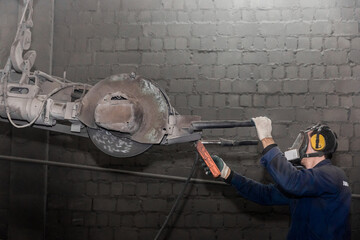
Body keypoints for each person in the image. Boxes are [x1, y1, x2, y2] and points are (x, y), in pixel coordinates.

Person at [206, 116, 351, 240]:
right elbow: (265, 195)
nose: (298, 145)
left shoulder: (333, 175)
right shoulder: (305, 182)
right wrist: (228, 174)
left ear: (318, 144)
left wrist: (266, 138)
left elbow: (291, 180)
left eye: (303, 140)